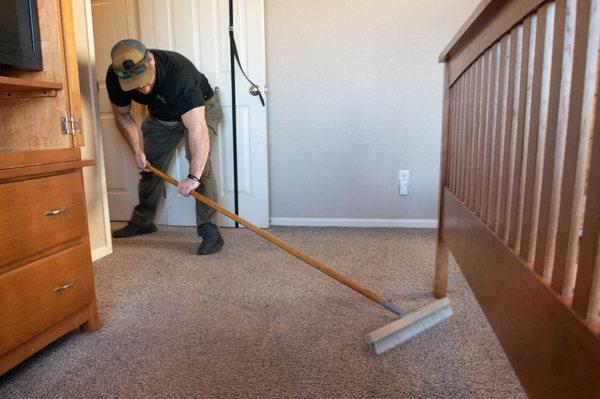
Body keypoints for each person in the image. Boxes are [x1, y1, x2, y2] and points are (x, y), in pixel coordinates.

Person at [106, 39, 224, 255]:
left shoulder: (178, 73)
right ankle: (143, 222)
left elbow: (197, 128)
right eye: (135, 85)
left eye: (145, 80)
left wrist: (193, 177)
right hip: (162, 116)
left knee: (202, 169)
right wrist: (136, 151)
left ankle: (209, 230)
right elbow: (122, 115)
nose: (143, 88)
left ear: (150, 59)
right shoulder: (115, 78)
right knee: (148, 167)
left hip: (201, 109)